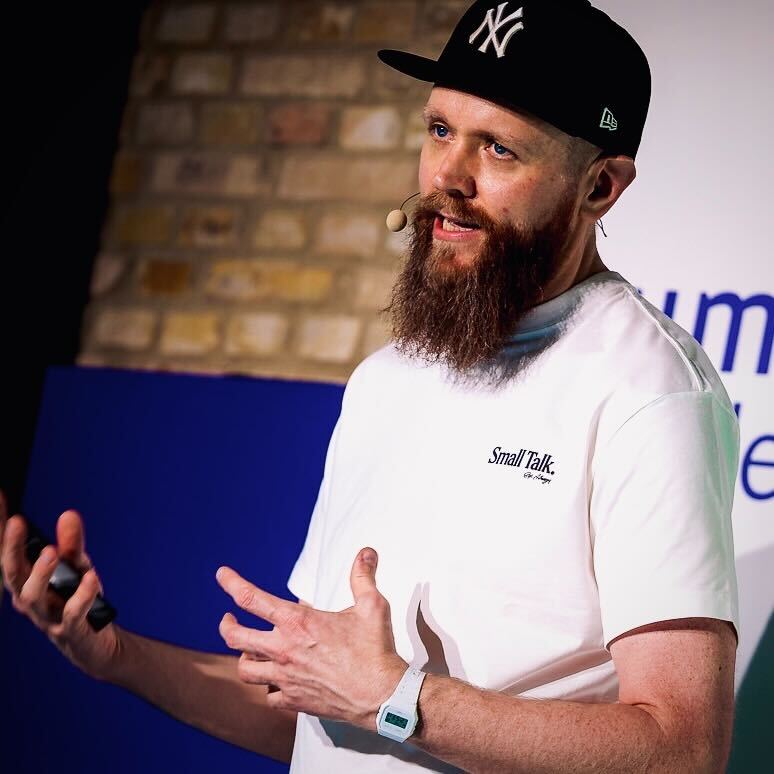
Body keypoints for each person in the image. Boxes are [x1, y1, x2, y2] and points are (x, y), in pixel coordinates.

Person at [1, 1, 739, 771]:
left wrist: (396, 698)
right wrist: (116, 656)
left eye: (499, 149)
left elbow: (682, 749)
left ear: (600, 188)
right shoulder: (387, 380)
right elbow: (320, 708)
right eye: (441, 130)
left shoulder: (650, 392)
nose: (446, 177)